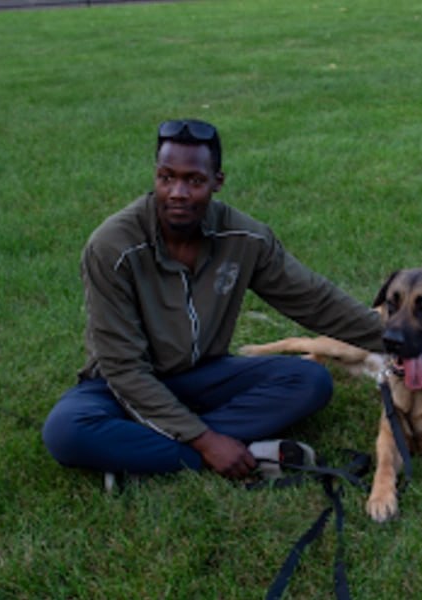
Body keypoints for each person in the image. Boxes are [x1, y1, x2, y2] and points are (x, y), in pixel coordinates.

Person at [42, 119, 384, 480]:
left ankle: (139, 456)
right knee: (66, 431)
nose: (177, 192)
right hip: (119, 385)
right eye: (166, 177)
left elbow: (316, 301)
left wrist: (398, 339)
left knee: (310, 381)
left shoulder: (245, 239)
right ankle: (233, 451)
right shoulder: (112, 247)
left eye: (194, 180)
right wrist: (206, 442)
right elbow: (122, 368)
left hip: (203, 376)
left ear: (217, 181)